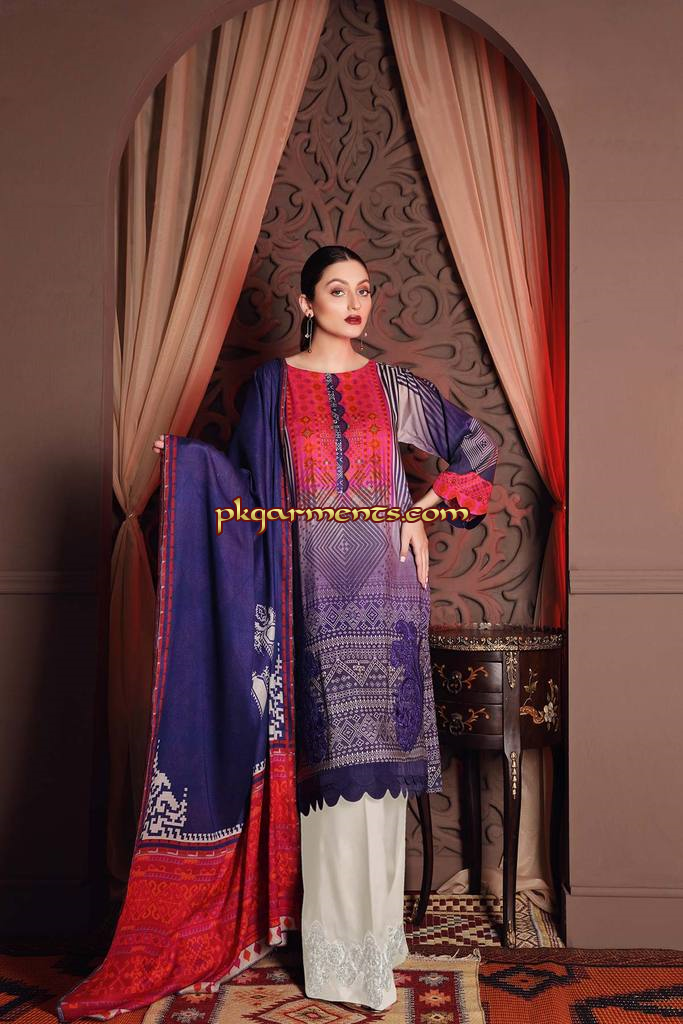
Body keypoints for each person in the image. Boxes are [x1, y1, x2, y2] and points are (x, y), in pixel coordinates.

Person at [56, 245, 498, 1020]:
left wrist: (420, 512)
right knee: (332, 779)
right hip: (310, 599)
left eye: (364, 290)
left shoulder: (391, 387)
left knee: (380, 779)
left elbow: (477, 449)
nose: (354, 303)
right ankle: (339, 961)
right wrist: (188, 468)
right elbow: (245, 492)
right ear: (304, 303)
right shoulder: (272, 386)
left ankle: (377, 944)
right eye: (337, 290)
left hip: (388, 597)